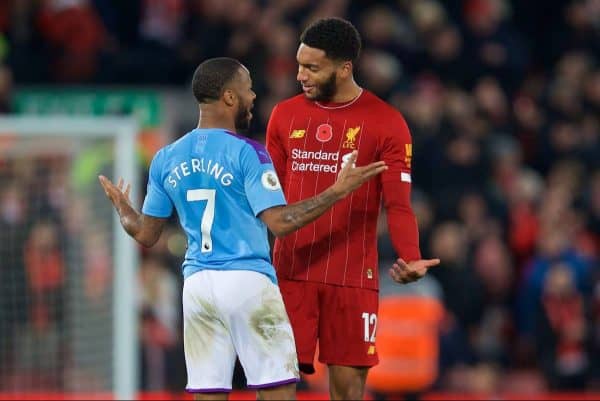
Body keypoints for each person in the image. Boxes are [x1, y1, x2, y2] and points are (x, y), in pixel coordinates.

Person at [98, 57, 387, 401]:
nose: (253, 97)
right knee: (276, 391)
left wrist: (123, 209)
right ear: (230, 98)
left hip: (197, 288)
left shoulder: (166, 157)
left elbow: (145, 234)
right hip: (247, 281)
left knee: (208, 393)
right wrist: (337, 191)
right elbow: (280, 223)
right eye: (248, 89)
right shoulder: (248, 153)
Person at [265, 18, 441, 400]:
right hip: (290, 272)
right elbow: (269, 203)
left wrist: (410, 257)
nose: (300, 75)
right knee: (275, 387)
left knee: (347, 392)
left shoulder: (386, 123)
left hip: (352, 276)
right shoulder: (284, 116)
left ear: (344, 68)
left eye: (312, 67)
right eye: (299, 64)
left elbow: (398, 204)